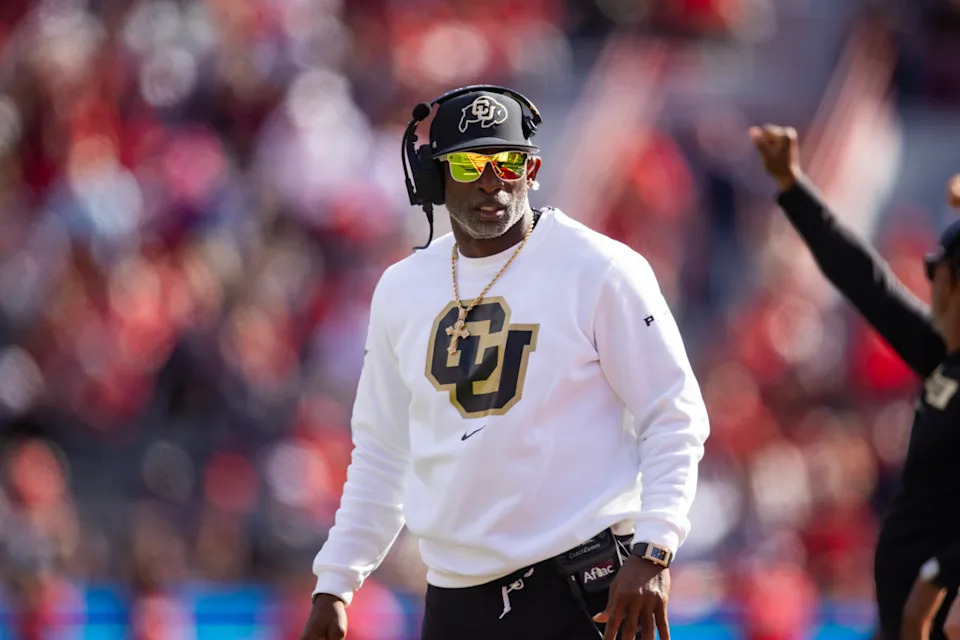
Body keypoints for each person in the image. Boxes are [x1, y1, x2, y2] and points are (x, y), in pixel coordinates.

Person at [299, 85, 710, 640]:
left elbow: (673, 415)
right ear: (433, 177)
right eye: (470, 163)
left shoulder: (602, 268)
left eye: (507, 160)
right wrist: (337, 580)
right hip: (454, 598)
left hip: (583, 586)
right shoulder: (402, 288)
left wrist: (655, 548)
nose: (491, 179)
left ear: (532, 168)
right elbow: (383, 451)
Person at [751, 125, 960, 640]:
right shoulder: (942, 357)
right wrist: (793, 188)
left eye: (937, 269)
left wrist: (939, 578)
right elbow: (867, 281)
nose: (928, 281)